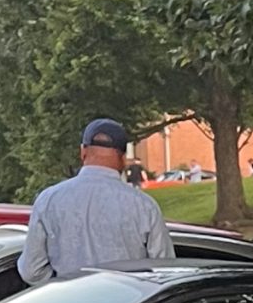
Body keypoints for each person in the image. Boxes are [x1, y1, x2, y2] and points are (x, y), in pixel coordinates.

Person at [18, 118, 173, 283]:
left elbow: (31, 271)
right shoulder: (144, 206)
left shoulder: (48, 200)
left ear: (83, 152)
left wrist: (61, 283)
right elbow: (166, 271)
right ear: (123, 159)